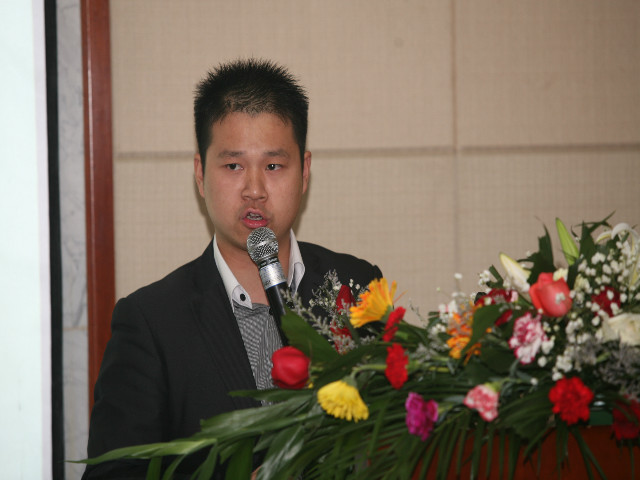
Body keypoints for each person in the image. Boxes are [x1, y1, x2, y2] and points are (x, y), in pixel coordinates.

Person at [83, 59, 382, 478]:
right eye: (233, 166)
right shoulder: (151, 323)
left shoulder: (358, 286)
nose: (254, 190)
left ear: (305, 172)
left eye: (273, 166)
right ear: (200, 174)